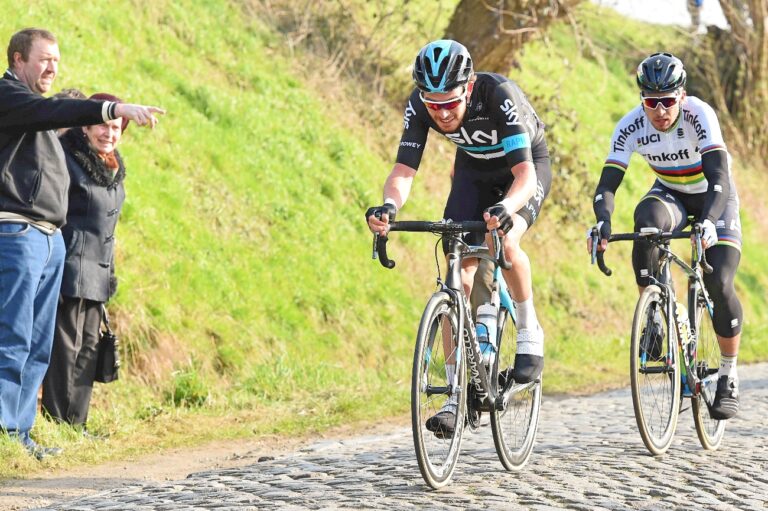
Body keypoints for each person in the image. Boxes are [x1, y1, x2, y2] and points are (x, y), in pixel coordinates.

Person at [366, 39, 551, 435]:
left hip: (524, 170)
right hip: (473, 171)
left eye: (451, 103)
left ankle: (528, 328)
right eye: (434, 105)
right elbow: (403, 170)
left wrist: (506, 208)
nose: (443, 113)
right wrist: (388, 207)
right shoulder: (420, 105)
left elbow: (525, 176)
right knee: (456, 274)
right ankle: (455, 395)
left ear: (468, 88)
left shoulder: (498, 95)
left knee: (507, 240)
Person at [0, 27, 165, 460]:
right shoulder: (10, 97)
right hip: (18, 233)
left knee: (38, 346)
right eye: (44, 59)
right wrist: (113, 108)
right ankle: (4, 432)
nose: (52, 67)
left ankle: (19, 435)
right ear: (18, 59)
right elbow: (53, 110)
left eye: (57, 60)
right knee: (13, 337)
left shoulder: (38, 114)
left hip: (48, 239)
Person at [588, 52, 743, 420]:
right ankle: (656, 315)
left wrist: (709, 221)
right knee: (646, 224)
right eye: (651, 102)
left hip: (714, 196)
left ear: (682, 96)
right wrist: (602, 222)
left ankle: (728, 374)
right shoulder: (630, 126)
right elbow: (608, 183)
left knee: (719, 281)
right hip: (671, 193)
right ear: (641, 99)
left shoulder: (699, 115)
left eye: (668, 101)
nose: (659, 110)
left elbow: (719, 177)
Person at [41, 93, 130, 431]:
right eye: (103, 126)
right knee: (66, 349)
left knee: (88, 350)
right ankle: (58, 423)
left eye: (116, 128)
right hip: (70, 267)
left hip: (99, 271)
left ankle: (76, 425)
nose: (109, 133)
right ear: (86, 127)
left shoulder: (113, 167)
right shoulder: (69, 160)